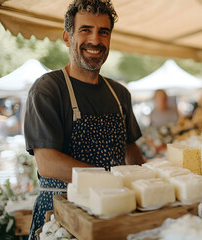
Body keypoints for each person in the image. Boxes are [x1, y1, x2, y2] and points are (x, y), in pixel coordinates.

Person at [23, 1, 145, 239]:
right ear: (68, 38)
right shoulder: (48, 89)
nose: (96, 40)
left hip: (113, 209)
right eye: (85, 30)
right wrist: (112, 180)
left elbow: (131, 152)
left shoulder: (119, 93)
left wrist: (155, 181)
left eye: (104, 32)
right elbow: (47, 162)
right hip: (61, 214)